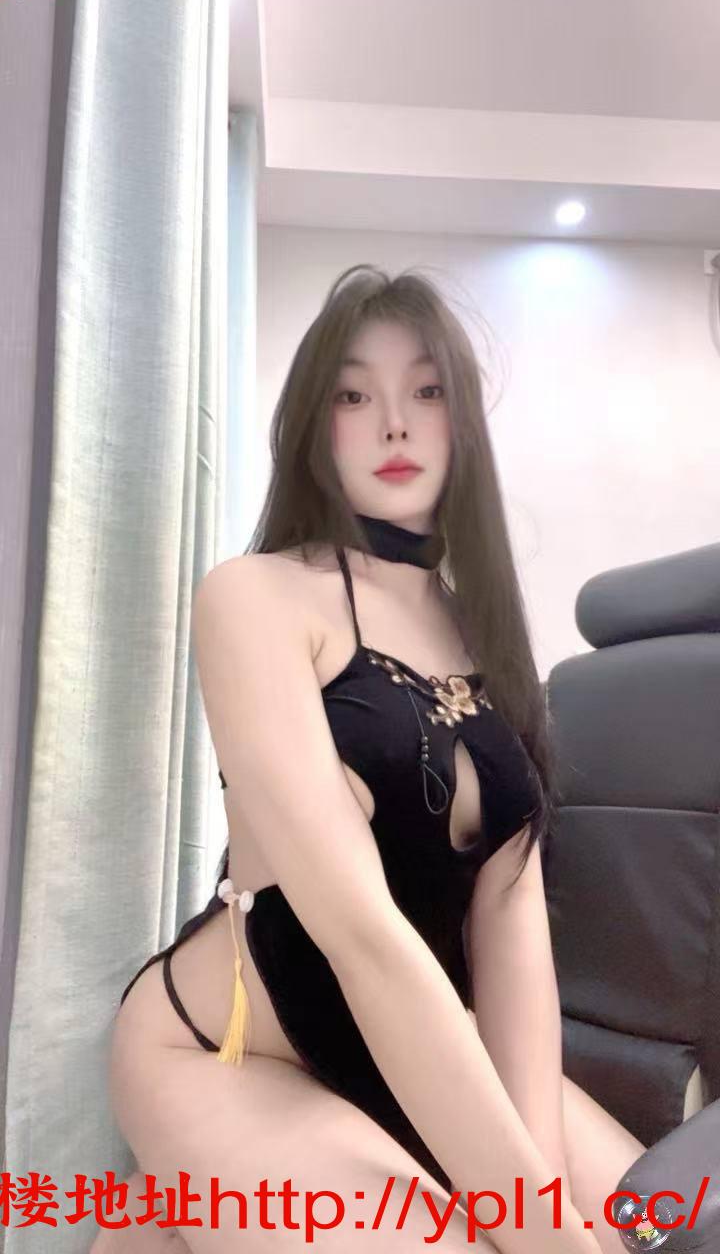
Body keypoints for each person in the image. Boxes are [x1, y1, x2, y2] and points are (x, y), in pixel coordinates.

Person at [102, 266, 648, 1253]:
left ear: (462, 420)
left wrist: (542, 1202)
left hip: (424, 1046)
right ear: (317, 428)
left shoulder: (481, 627)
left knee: (656, 1231)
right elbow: (362, 937)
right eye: (355, 396)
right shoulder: (255, 597)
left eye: (425, 391)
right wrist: (537, 1234)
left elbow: (510, 921)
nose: (394, 423)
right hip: (235, 1052)